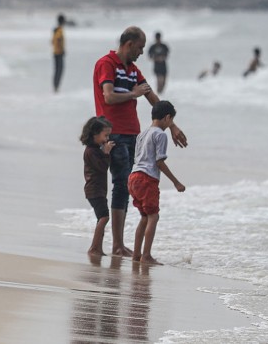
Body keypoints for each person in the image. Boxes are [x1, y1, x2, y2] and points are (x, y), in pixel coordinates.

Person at [93, 26, 188, 257]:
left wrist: (172, 125)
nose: (141, 52)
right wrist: (132, 94)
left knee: (126, 186)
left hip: (133, 134)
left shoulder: (133, 70)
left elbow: (152, 97)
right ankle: (117, 245)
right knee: (120, 184)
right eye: (140, 47)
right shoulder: (107, 64)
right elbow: (108, 96)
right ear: (128, 44)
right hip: (113, 133)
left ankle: (122, 245)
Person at [128, 101, 186, 265]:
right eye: (171, 121)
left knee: (144, 217)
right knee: (153, 216)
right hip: (147, 178)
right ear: (168, 118)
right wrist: (176, 182)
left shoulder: (142, 133)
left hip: (133, 177)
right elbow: (159, 162)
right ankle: (146, 255)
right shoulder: (160, 135)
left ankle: (136, 254)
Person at [80, 116, 115, 257]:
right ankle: (94, 247)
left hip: (98, 190)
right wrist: (106, 153)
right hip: (94, 190)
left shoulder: (95, 149)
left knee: (101, 217)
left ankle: (98, 247)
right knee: (104, 217)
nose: (106, 139)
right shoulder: (90, 151)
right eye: (105, 135)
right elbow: (102, 167)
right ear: (94, 134)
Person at [51, 13, 66, 93]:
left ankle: (55, 87)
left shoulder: (56, 29)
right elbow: (58, 40)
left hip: (55, 52)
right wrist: (62, 49)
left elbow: (52, 41)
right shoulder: (59, 30)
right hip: (58, 53)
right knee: (59, 70)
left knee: (57, 70)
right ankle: (56, 87)